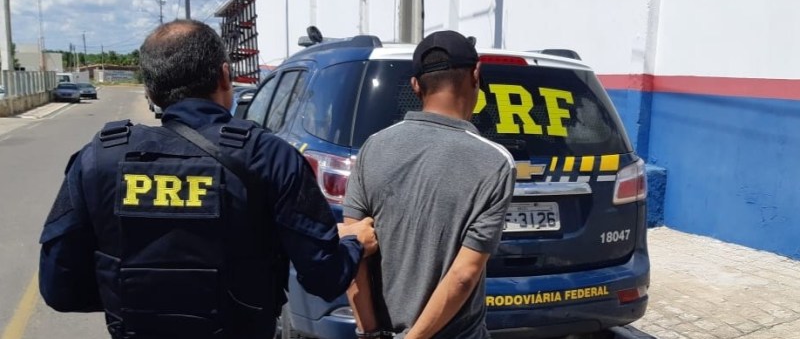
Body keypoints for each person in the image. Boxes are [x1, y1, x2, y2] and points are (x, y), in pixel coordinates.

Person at [39, 20, 378, 339]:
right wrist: (354, 242)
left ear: (151, 92)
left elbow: (59, 289)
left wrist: (142, 297)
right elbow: (325, 277)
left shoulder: (99, 159)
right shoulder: (270, 157)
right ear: (224, 76)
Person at [343, 31, 516, 339]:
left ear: (415, 86)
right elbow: (463, 275)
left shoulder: (374, 147)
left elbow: (352, 250)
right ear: (476, 74)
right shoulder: (495, 162)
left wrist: (369, 332)